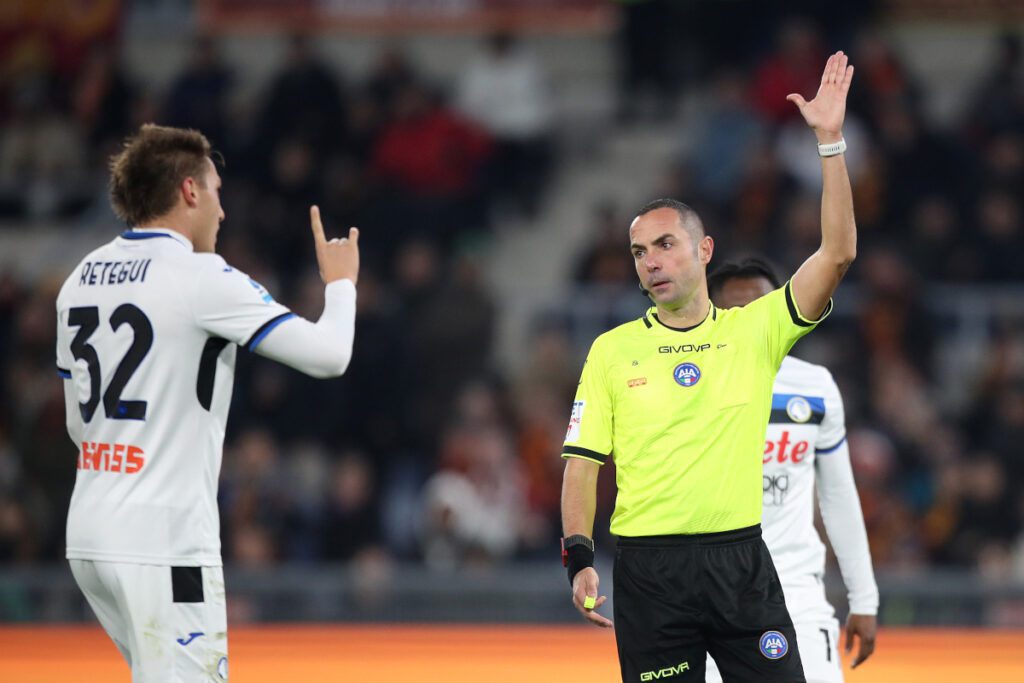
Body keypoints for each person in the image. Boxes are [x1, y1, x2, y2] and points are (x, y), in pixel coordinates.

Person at [560, 52, 856, 682]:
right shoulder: (611, 350)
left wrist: (830, 144)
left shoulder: (754, 330)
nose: (651, 261)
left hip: (740, 564)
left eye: (665, 244)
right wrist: (579, 557)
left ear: (704, 249)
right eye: (639, 251)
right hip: (649, 573)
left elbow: (838, 251)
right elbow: (582, 466)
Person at [55, 124, 359, 680]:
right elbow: (330, 356)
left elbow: (79, 422)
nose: (222, 212)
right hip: (162, 538)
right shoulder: (202, 277)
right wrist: (340, 284)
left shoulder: (79, 278)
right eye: (217, 192)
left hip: (90, 533)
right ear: (190, 191)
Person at [705, 257, 878, 682]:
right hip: (707, 596)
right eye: (735, 314)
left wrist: (864, 597)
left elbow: (838, 495)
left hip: (796, 591)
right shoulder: (686, 387)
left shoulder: (814, 386)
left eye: (762, 310)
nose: (751, 325)